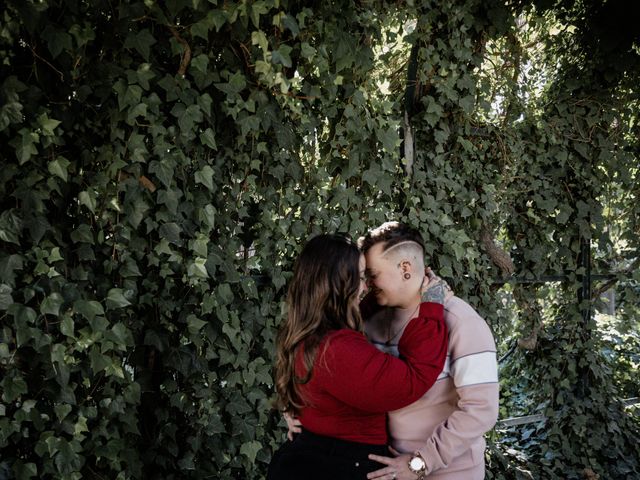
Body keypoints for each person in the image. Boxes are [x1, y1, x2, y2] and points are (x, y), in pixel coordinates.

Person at [268, 233, 450, 480]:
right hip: (338, 465)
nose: (367, 286)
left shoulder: (308, 330)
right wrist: (431, 304)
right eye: (361, 278)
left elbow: (354, 312)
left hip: (312, 458)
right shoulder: (335, 348)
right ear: (341, 283)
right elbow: (411, 379)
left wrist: (389, 292)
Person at [359, 222, 499, 480]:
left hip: (450, 472)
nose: (367, 283)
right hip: (386, 468)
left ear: (405, 268)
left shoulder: (461, 322)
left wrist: (420, 462)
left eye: (373, 274)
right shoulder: (370, 320)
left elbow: (481, 410)